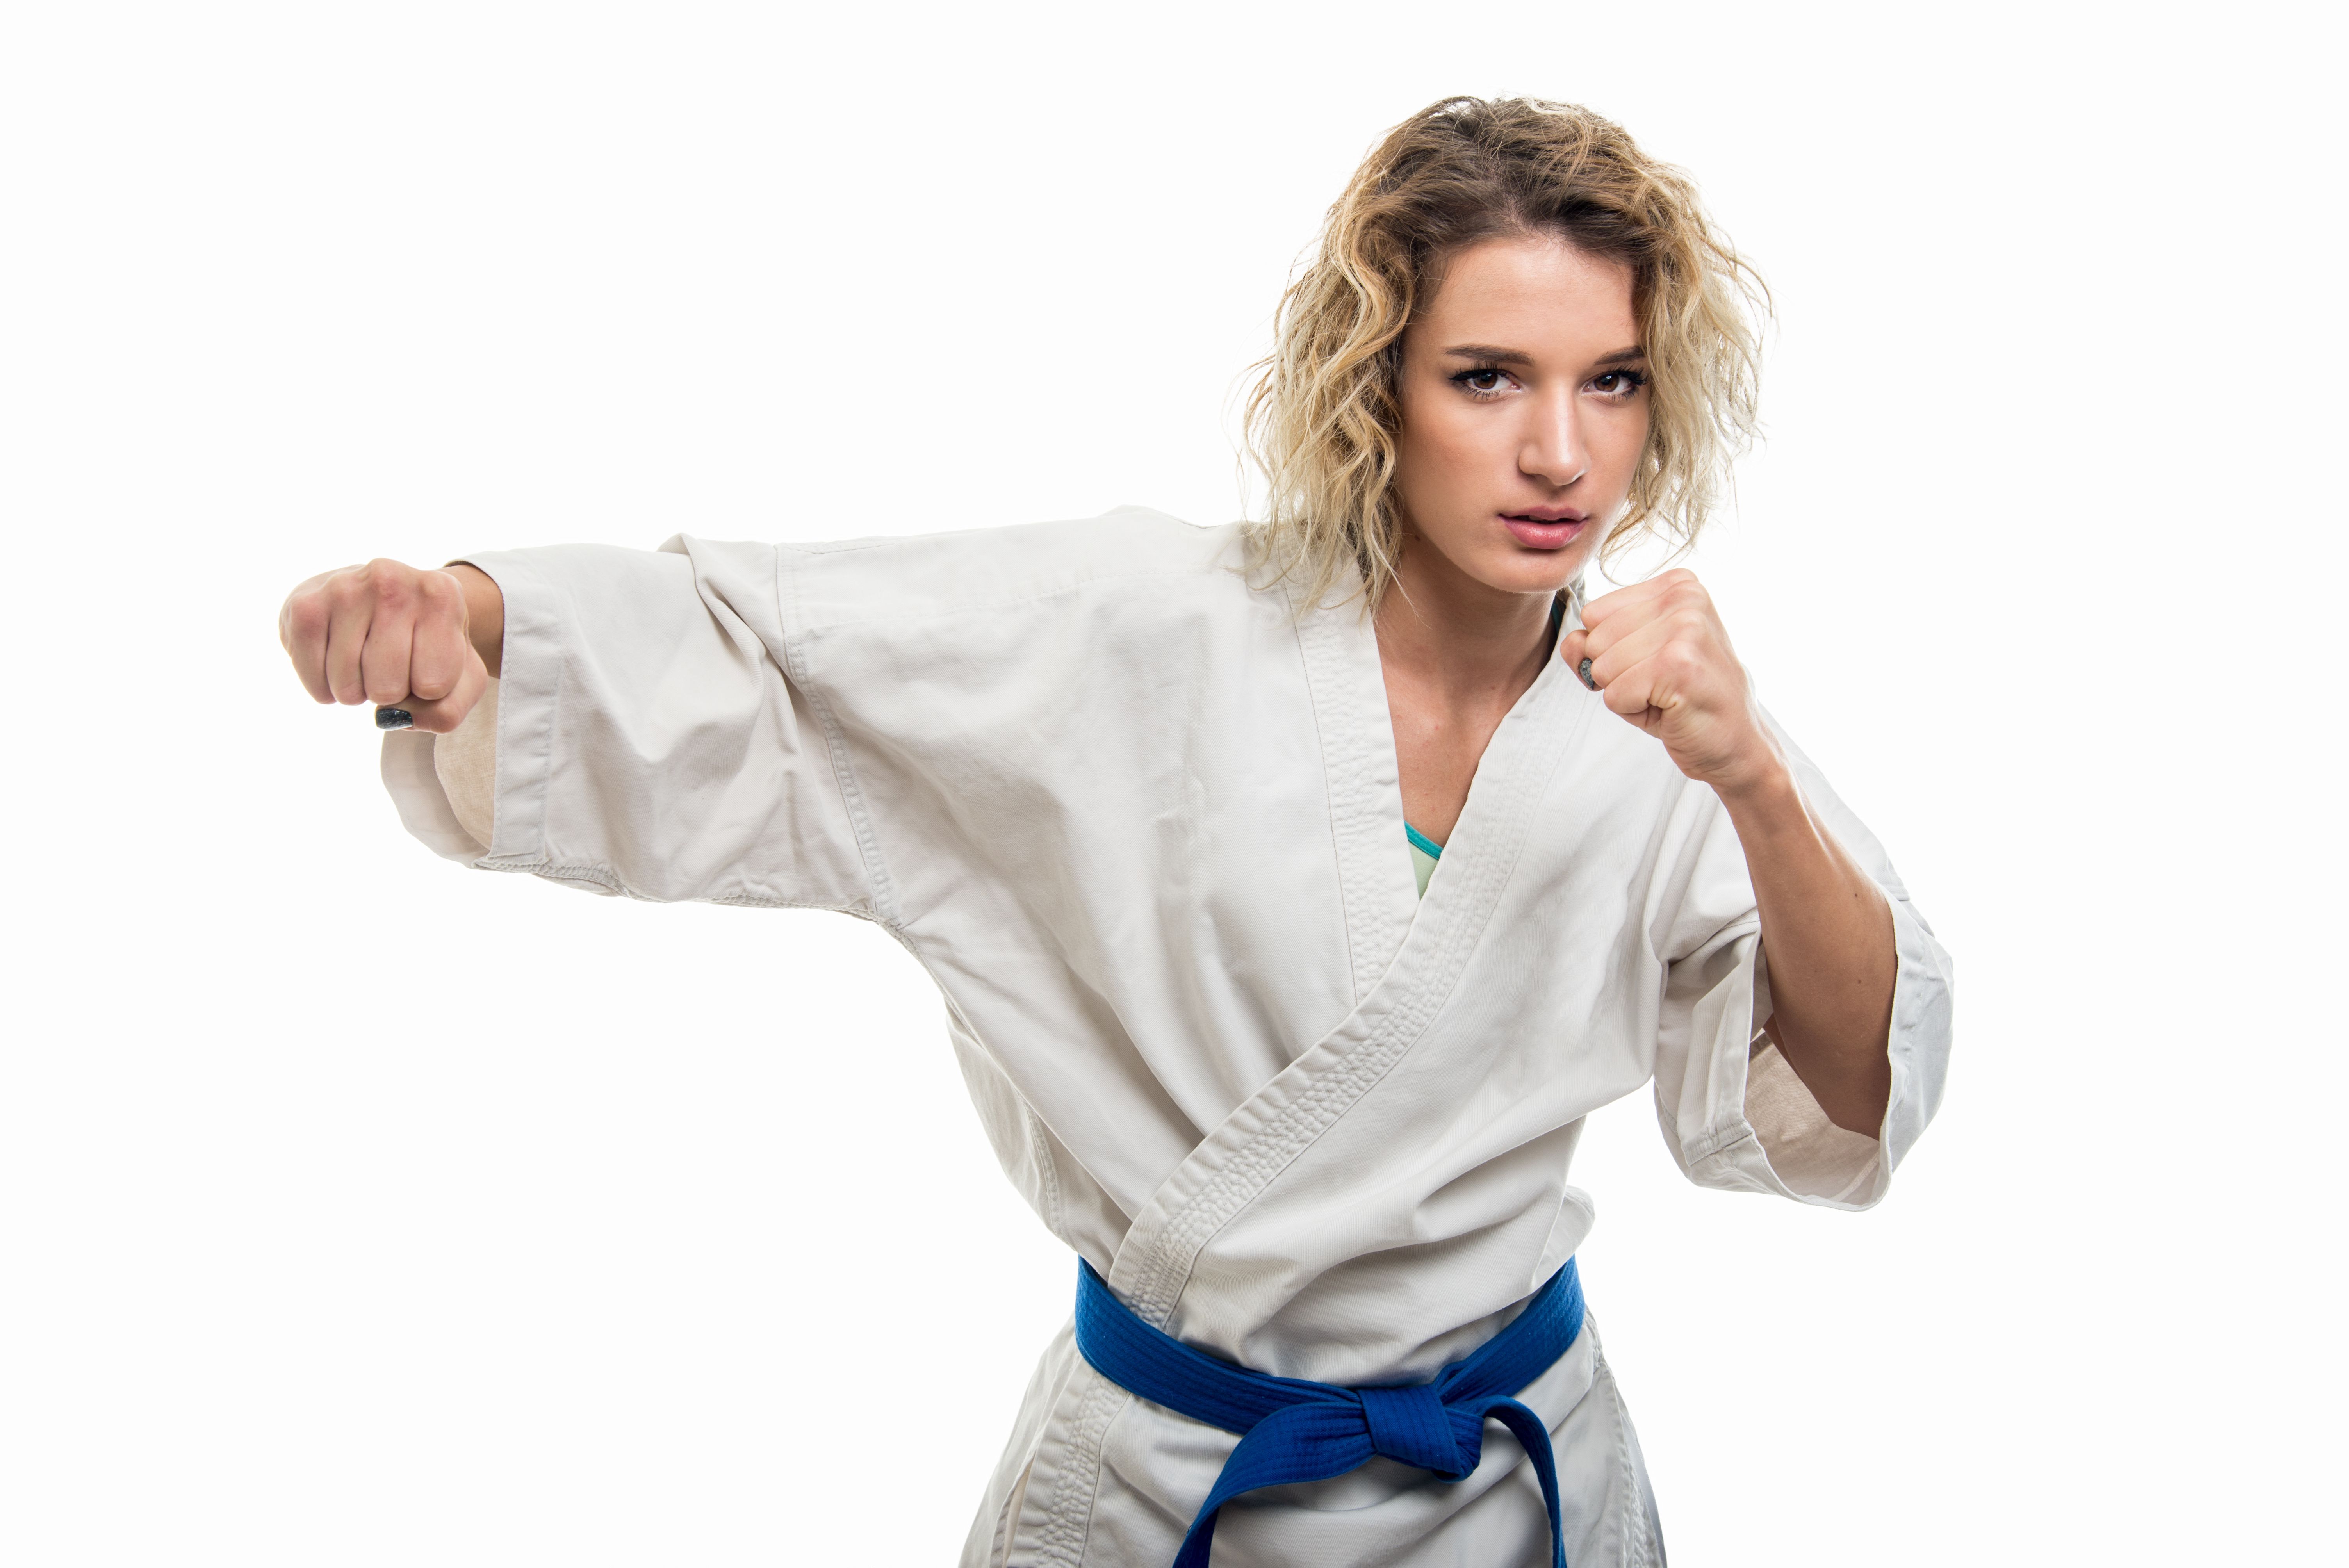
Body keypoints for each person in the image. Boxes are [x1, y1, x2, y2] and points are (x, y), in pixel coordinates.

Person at [278, 96, 1951, 1568]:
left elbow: (1852, 1086)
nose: (1556, 452)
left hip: (1518, 1483)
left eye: (1613, 383)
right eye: (1486, 376)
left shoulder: (1662, 713)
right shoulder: (1141, 625)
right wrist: (476, 625)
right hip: (1172, 1484)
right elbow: (787, 665)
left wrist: (1752, 782)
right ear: (1378, 382)